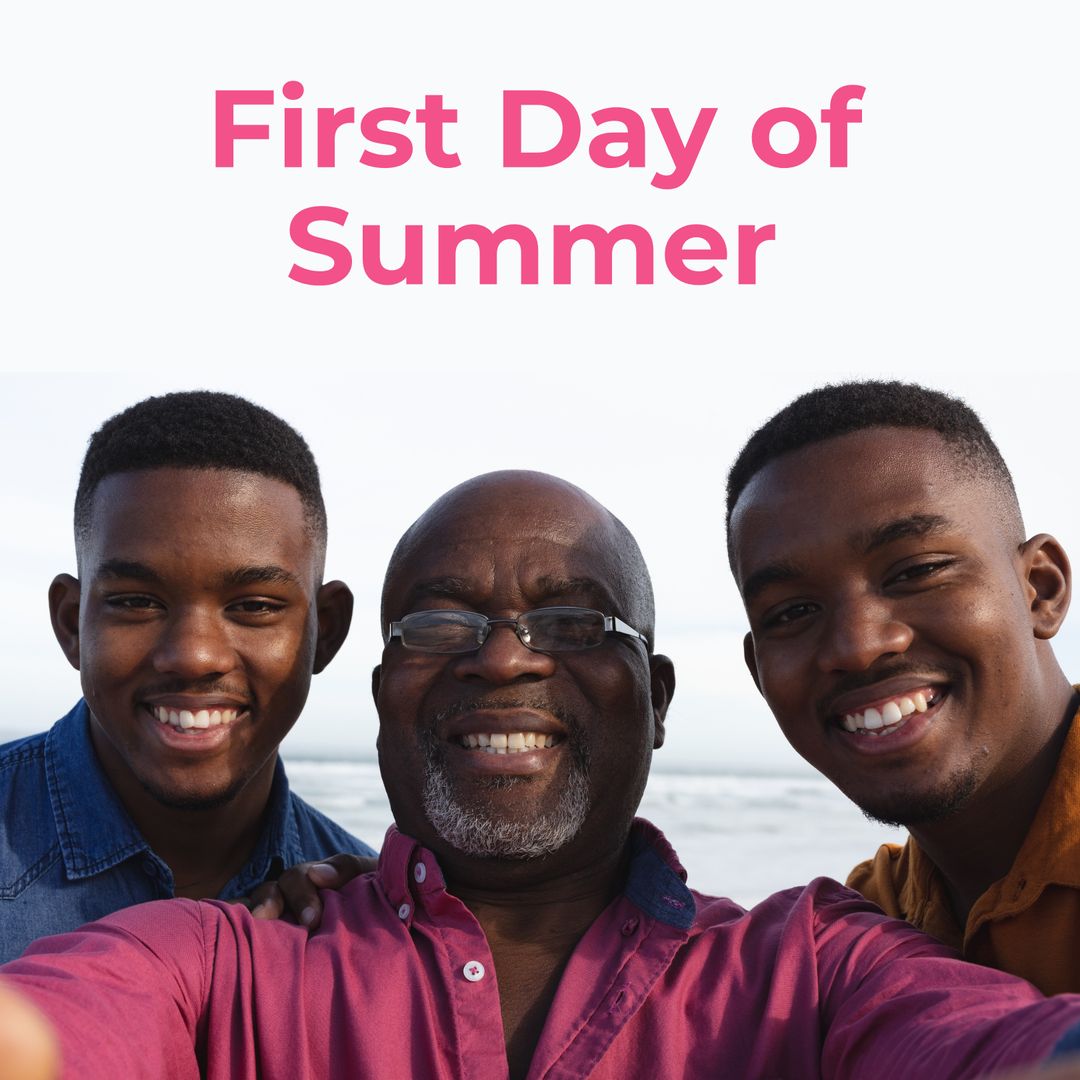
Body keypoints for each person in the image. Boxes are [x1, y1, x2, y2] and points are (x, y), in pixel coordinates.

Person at [4, 469, 1080, 1080]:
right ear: (382, 696)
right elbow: (54, 1028)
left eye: (572, 621)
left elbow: (998, 1047)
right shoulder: (223, 961)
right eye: (438, 622)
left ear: (655, 701)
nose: (504, 656)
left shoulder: (815, 965)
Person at [726, 380, 1080, 994]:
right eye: (792, 612)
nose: (858, 645)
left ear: (1039, 590)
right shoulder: (857, 937)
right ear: (760, 674)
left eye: (916, 572)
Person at [0, 391, 375, 962]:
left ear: (325, 634)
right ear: (70, 625)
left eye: (253, 606)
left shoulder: (365, 921)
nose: (194, 656)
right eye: (136, 602)